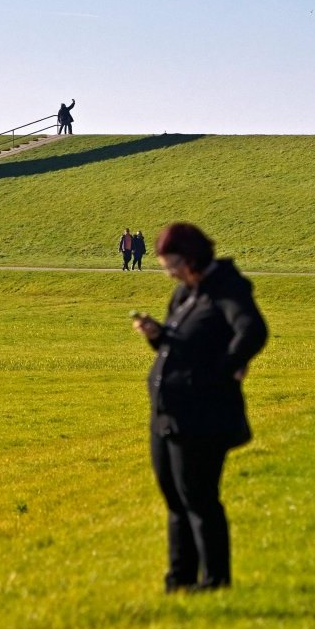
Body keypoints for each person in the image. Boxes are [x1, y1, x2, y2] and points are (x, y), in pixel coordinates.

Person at [132, 223, 268, 591]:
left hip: (202, 417)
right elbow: (180, 347)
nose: (169, 273)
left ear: (192, 258)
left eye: (172, 264)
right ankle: (179, 579)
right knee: (175, 499)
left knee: (200, 499)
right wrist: (158, 336)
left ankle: (215, 581)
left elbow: (252, 330)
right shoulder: (184, 294)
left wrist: (225, 370)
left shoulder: (227, 289)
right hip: (168, 415)